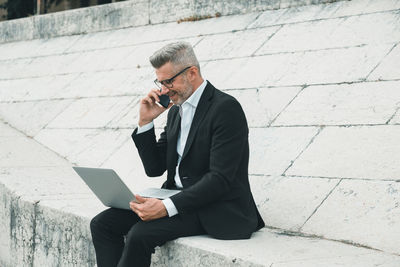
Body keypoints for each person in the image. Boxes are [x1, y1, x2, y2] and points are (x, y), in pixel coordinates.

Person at [90, 41, 265, 267]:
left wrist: (165, 207)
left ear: (192, 73)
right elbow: (155, 168)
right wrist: (145, 122)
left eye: (168, 81)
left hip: (215, 206)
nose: (163, 90)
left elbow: (220, 179)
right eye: (160, 82)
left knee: (139, 235)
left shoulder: (225, 108)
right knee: (102, 224)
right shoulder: (175, 112)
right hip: (175, 199)